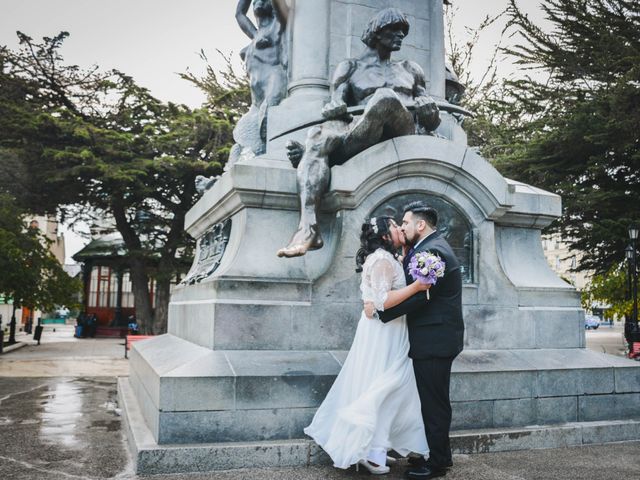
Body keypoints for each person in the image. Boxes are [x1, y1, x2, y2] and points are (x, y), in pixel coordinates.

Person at [277, 8, 440, 258]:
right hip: (364, 131)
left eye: (403, 32)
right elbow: (335, 105)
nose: (400, 36)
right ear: (377, 32)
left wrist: (429, 110)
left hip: (403, 131)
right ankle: (308, 228)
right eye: (394, 30)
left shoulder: (410, 69)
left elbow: (431, 121)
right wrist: (333, 107)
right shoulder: (350, 68)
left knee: (385, 97)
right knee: (317, 137)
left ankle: (319, 159)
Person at [304, 216, 430, 474]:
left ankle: (375, 446)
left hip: (387, 329)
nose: (399, 228)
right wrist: (417, 286)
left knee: (387, 384)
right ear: (385, 235)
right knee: (386, 384)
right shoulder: (382, 260)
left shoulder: (387, 257)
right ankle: (372, 452)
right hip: (385, 332)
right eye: (395, 226)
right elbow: (383, 300)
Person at [366, 201, 465, 479]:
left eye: (406, 223)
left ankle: (437, 464)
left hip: (435, 339)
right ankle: (437, 457)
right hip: (435, 337)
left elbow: (422, 295)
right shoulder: (428, 247)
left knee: (434, 403)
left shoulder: (433, 250)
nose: (403, 227)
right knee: (433, 400)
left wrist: (381, 312)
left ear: (420, 225)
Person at [230, 0, 288, 164]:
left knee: (267, 118)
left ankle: (269, 158)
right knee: (244, 137)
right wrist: (255, 36)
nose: (259, 2)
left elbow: (282, 9)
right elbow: (239, 13)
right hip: (256, 101)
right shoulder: (256, 37)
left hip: (274, 84)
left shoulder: (277, 26)